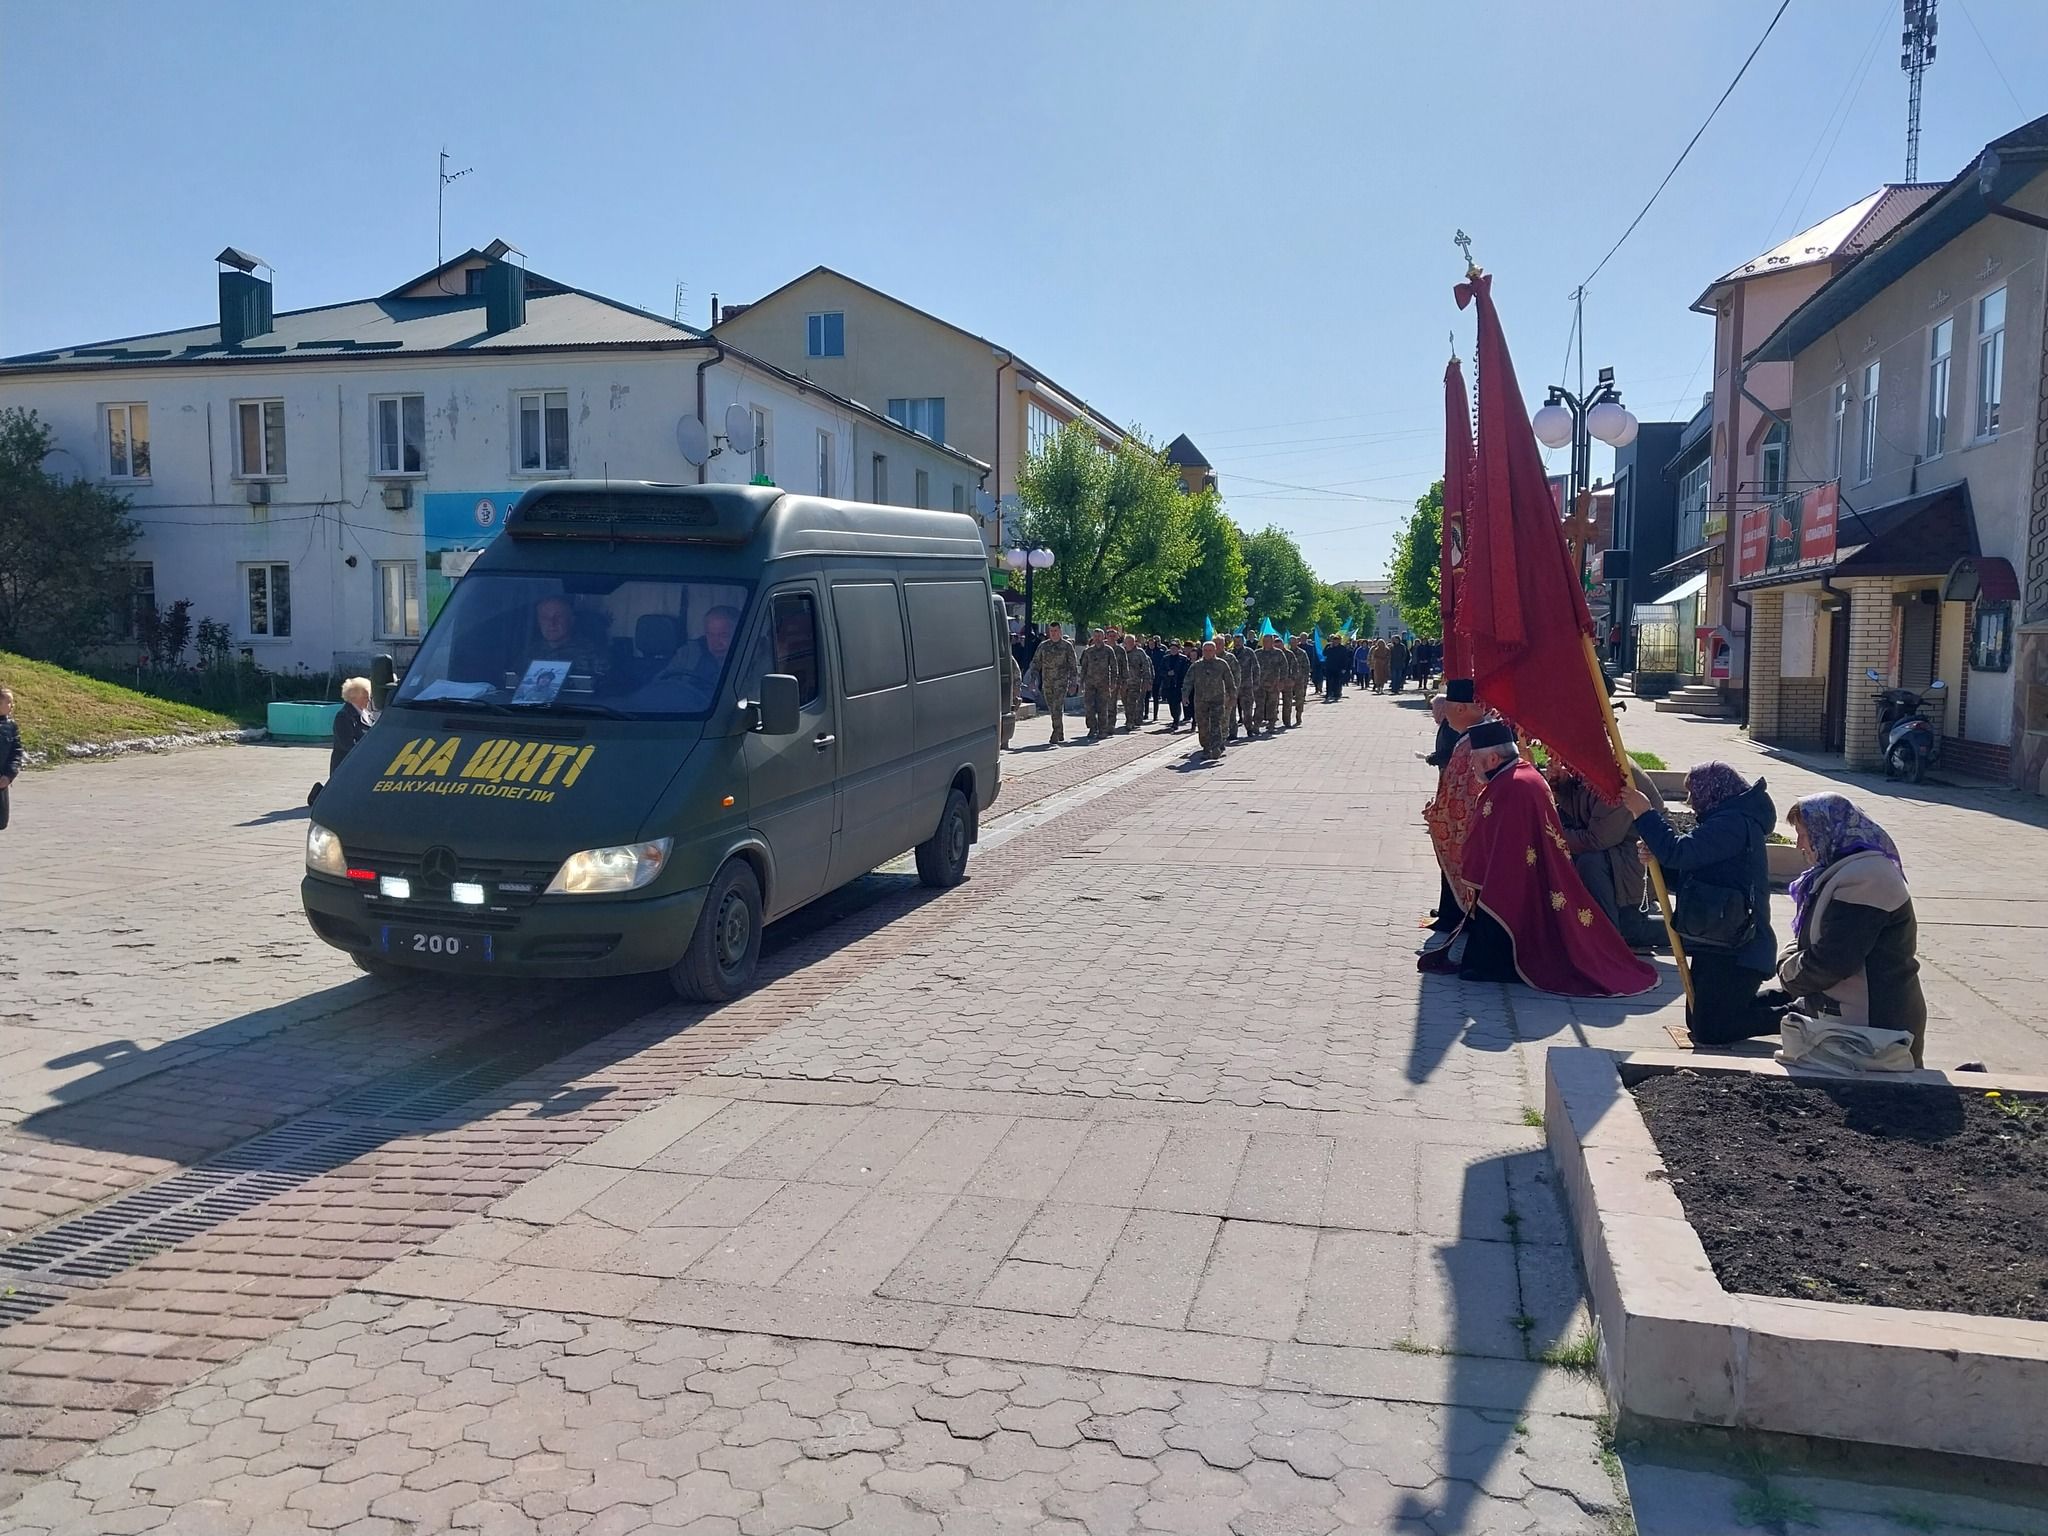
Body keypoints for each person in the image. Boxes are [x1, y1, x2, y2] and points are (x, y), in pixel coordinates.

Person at [1424, 722, 1657, 996]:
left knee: (1581, 872)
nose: (1556, 764)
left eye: (1475, 761)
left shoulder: (1612, 775)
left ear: (1493, 759)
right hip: (1559, 860)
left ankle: (1622, 932)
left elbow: (1596, 837)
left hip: (1632, 862)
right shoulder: (1516, 777)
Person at [1623, 762, 1780, 1048]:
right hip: (1718, 941)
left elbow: (1681, 852)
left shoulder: (1732, 824)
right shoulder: (1726, 820)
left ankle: (1792, 1016)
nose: (1691, 803)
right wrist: (1656, 861)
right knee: (1699, 1022)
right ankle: (1782, 1001)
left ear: (1713, 791)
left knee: (1710, 1030)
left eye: (1695, 794)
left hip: (1741, 948)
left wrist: (1645, 814)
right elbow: (1689, 874)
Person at [1778, 794, 1926, 1065]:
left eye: (1803, 834)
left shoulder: (1866, 878)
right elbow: (1811, 941)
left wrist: (1787, 971)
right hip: (1854, 1028)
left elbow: (1832, 960)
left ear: (1826, 829)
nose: (1799, 844)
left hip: (1875, 1032)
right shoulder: (1843, 870)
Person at [1551, 760, 1665, 949]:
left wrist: (1550, 833)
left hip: (1638, 860)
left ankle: (1607, 938)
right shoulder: (1593, 764)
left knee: (1589, 862)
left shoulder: (1617, 774)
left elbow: (1597, 839)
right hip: (1620, 858)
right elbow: (1584, 813)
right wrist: (1561, 784)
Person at [1025, 622, 1077, 743]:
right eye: (1051, 631)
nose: (1053, 633)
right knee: (1052, 708)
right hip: (1047, 682)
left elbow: (1073, 666)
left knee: (1057, 707)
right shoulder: (1043, 646)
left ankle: (1055, 733)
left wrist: (1073, 683)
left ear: (1060, 631)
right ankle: (1060, 731)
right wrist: (1032, 681)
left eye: (1056, 631)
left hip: (1061, 682)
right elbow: (1035, 664)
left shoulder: (1067, 646)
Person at [1181, 640, 1233, 760]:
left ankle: (1216, 748)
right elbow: (1188, 681)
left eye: (1210, 650)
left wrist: (1232, 696)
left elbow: (1230, 681)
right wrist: (1185, 695)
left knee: (1216, 724)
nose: (1208, 653)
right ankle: (1206, 747)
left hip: (1217, 699)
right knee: (1203, 725)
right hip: (1201, 701)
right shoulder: (1197, 666)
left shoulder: (1222, 664)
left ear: (1215, 651)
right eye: (1205, 650)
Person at [1078, 629, 1121, 739]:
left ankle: (1102, 730)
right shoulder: (1088, 651)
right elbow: (1084, 668)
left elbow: (1114, 667)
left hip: (1104, 684)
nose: (1097, 638)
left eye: (1099, 636)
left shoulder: (1108, 650)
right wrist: (1081, 682)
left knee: (1102, 708)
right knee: (1089, 707)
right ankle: (1092, 728)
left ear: (1103, 637)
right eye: (1095, 636)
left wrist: (1113, 682)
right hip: (1090, 684)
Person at [1119, 634, 1153, 733]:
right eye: (1127, 642)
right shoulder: (1121, 652)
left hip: (1136, 682)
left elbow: (1146, 667)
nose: (1128, 644)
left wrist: (1147, 680)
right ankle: (1130, 719)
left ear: (1134, 642)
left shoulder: (1140, 652)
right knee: (1125, 703)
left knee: (1132, 702)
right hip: (1124, 683)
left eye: (1131, 642)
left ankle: (1131, 722)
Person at [0, 684, 21, 832]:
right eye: (8, 702)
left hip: (1, 783)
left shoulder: (11, 726)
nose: (11, 705)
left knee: (1, 822)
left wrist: (9, 775)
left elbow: (16, 753)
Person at [1256, 634, 1286, 734]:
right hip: (1260, 684)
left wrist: (1282, 681)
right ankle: (1257, 724)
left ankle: (1271, 724)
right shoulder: (1258, 653)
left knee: (1272, 704)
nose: (1266, 643)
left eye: (1268, 641)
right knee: (1259, 705)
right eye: (1264, 641)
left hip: (1274, 684)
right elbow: (1253, 668)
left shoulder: (1278, 653)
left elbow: (1284, 668)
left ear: (1272, 642)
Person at [999, 638, 1021, 750]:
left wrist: (1016, 690)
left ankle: (1005, 742)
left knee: (1006, 716)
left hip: (1006, 692)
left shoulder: (1008, 659)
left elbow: (1017, 675)